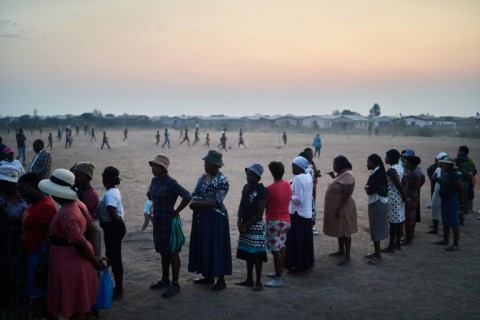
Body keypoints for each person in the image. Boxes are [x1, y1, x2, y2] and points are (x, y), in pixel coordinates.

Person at [38, 169, 104, 319]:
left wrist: (94, 260)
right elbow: (92, 229)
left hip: (69, 264)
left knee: (75, 308)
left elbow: (77, 241)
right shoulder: (79, 204)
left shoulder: (65, 213)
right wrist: (94, 257)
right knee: (84, 304)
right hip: (82, 261)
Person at [148, 155, 192, 298]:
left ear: (163, 168)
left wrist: (177, 211)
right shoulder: (154, 181)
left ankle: (175, 283)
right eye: (152, 165)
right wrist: (152, 209)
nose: (153, 168)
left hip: (169, 222)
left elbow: (187, 196)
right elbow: (150, 194)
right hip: (158, 222)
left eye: (156, 166)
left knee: (173, 252)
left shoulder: (171, 183)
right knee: (162, 251)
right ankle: (165, 278)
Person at [188, 150, 232, 291]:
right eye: (205, 163)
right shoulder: (203, 177)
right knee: (204, 245)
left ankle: (221, 280)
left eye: (208, 164)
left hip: (215, 218)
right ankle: (208, 276)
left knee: (217, 246)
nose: (205, 165)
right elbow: (195, 193)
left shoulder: (222, 180)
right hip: (201, 217)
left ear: (216, 165)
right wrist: (193, 201)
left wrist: (197, 204)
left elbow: (217, 202)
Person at [17, 173, 56, 319]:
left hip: (37, 257)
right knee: (37, 301)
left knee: (41, 301)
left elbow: (49, 238)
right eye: (19, 190)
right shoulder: (34, 203)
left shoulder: (46, 206)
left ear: (37, 187)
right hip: (30, 255)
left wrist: (43, 265)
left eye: (25, 189)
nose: (22, 194)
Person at [0, 165, 30, 319]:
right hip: (2, 249)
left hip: (19, 250)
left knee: (19, 282)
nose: (3, 184)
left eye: (6, 182)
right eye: (1, 181)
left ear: (15, 183)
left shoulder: (25, 204)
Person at [236, 163, 267, 292]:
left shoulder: (262, 190)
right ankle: (249, 279)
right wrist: (239, 221)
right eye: (247, 174)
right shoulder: (246, 187)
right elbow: (241, 205)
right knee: (248, 254)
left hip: (255, 227)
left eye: (251, 175)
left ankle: (258, 281)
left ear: (258, 177)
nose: (248, 177)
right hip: (244, 225)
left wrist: (245, 225)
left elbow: (260, 213)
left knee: (257, 256)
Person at [97, 166, 126, 299]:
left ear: (104, 179)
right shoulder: (114, 191)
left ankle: (119, 289)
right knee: (113, 256)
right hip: (115, 227)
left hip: (113, 227)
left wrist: (117, 219)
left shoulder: (109, 194)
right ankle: (118, 287)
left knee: (114, 258)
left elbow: (112, 211)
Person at [324, 156, 358, 266]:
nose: (333, 166)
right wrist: (333, 177)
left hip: (344, 207)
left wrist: (338, 209)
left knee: (345, 230)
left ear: (340, 164)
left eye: (334, 164)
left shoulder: (348, 175)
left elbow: (346, 194)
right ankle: (341, 251)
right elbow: (339, 186)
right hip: (339, 207)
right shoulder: (341, 175)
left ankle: (347, 257)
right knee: (340, 228)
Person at [264, 161, 291, 287]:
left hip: (274, 221)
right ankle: (279, 273)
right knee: (282, 247)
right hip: (286, 221)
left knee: (275, 250)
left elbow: (265, 204)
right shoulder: (287, 184)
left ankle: (278, 277)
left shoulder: (269, 189)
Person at [285, 156, 314, 274]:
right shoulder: (308, 176)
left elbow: (299, 199)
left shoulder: (298, 179)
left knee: (296, 241)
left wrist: (289, 195)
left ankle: (297, 265)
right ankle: (305, 264)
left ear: (299, 167)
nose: (292, 168)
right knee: (305, 241)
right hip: (306, 213)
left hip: (297, 214)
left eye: (293, 166)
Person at [432, 157, 463, 251]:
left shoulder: (453, 175)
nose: (443, 165)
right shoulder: (447, 173)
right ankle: (446, 240)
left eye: (445, 164)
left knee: (453, 223)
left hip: (451, 200)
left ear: (449, 165)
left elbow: (460, 188)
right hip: (446, 200)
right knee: (446, 221)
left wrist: (461, 203)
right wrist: (437, 179)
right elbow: (445, 184)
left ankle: (456, 244)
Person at [364, 154, 389, 265]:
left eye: (368, 162)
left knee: (376, 228)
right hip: (377, 202)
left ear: (374, 162)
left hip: (377, 202)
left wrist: (368, 188)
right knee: (375, 227)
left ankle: (378, 255)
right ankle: (376, 252)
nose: (367, 164)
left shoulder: (377, 173)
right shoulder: (377, 172)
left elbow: (369, 189)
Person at [382, 149, 406, 253]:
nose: (385, 158)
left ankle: (391, 246)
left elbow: (398, 184)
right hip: (398, 197)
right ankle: (397, 244)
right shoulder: (400, 167)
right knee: (399, 220)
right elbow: (404, 182)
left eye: (386, 156)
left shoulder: (391, 170)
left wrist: (405, 196)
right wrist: (404, 196)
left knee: (393, 223)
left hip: (393, 197)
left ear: (391, 158)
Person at [402, 155, 422, 245]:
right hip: (414, 197)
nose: (405, 163)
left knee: (408, 220)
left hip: (410, 198)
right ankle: (408, 238)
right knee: (410, 219)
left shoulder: (411, 174)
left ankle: (408, 239)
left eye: (406, 162)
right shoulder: (416, 172)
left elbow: (405, 185)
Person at [428, 152, 448, 234]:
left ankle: (444, 232)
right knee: (435, 209)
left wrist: (437, 179)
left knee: (443, 211)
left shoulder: (449, 172)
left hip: (445, 194)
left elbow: (434, 178)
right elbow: (433, 178)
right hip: (437, 193)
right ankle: (435, 228)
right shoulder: (438, 169)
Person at [458, 146, 476, 216]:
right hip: (457, 184)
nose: (458, 152)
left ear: (464, 152)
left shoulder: (470, 162)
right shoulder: (458, 160)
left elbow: (470, 175)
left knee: (464, 201)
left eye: (460, 150)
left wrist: (463, 167)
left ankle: (463, 215)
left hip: (465, 184)